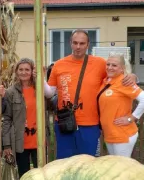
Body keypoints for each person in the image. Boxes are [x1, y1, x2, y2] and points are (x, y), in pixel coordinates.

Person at [44, 30, 137, 159]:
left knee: (87, 163)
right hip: (65, 122)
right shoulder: (59, 65)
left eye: (82, 43)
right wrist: (40, 80)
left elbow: (116, 73)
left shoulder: (100, 63)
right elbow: (49, 93)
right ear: (70, 43)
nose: (78, 47)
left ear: (88, 45)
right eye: (75, 43)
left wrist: (132, 76)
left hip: (90, 124)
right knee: (64, 164)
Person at [98, 54, 144, 157]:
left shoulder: (124, 81)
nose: (109, 67)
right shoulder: (106, 81)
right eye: (108, 64)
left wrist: (131, 118)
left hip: (122, 133)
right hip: (110, 133)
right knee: (115, 167)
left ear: (122, 68)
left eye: (114, 65)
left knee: (122, 169)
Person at [1, 58, 39, 178]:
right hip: (20, 141)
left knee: (41, 175)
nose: (24, 72)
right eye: (21, 69)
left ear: (32, 71)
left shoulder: (39, 89)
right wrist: (6, 145)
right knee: (24, 176)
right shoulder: (11, 92)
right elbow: (6, 119)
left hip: (39, 141)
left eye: (27, 69)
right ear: (16, 71)